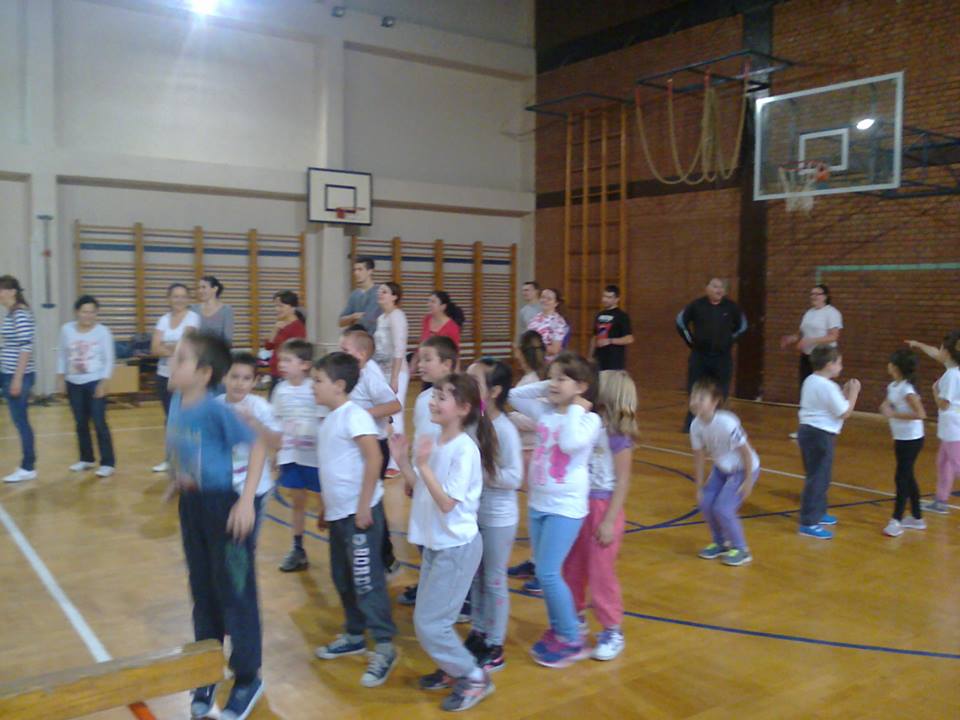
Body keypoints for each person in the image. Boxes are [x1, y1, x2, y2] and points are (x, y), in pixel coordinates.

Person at [162, 330, 268, 720]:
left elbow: (257, 445)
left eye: (181, 359)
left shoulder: (215, 410)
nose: (171, 364)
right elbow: (186, 450)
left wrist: (246, 500)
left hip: (223, 510)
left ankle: (247, 677)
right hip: (192, 508)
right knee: (202, 591)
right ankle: (206, 669)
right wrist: (178, 478)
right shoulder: (178, 402)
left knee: (236, 592)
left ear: (204, 373)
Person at [388, 374, 496, 712]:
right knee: (431, 620)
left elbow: (447, 502)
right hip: (438, 545)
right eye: (434, 396)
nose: (433, 402)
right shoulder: (434, 440)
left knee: (431, 624)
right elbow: (421, 488)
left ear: (463, 408)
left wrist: (422, 465)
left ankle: (473, 677)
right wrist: (404, 461)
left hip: (457, 548)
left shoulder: (465, 449)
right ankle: (454, 668)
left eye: (442, 398)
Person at [508, 352, 601, 668]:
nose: (554, 384)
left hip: (566, 508)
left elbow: (571, 443)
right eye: (552, 377)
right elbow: (514, 395)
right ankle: (560, 628)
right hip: (539, 504)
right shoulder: (546, 412)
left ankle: (572, 639)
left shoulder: (588, 420)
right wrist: (551, 383)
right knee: (546, 573)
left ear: (582, 386)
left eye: (563, 378)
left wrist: (575, 407)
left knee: (548, 572)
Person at [311, 352, 398, 689]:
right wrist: (325, 507)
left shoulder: (354, 415)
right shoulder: (329, 420)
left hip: (359, 515)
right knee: (342, 577)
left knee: (366, 580)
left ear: (339, 385)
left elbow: (374, 458)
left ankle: (385, 645)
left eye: (318, 381)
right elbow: (332, 468)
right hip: (339, 515)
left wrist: (364, 506)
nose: (313, 387)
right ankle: (354, 634)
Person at [563, 369, 638, 661]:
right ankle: (575, 617)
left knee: (601, 572)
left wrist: (608, 520)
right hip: (579, 503)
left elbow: (623, 481)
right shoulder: (588, 423)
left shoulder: (618, 435)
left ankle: (611, 629)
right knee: (573, 565)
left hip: (603, 507)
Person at [464, 359, 522, 674]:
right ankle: (479, 630)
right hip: (473, 513)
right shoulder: (473, 422)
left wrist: (483, 474)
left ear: (495, 391)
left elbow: (514, 477)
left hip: (498, 517)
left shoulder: (506, 430)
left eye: (475, 382)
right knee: (476, 575)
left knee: (494, 578)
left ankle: (495, 644)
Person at [396, 335, 458, 609]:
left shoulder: (463, 399)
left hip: (446, 485)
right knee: (424, 537)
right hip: (423, 479)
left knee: (447, 542)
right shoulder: (423, 399)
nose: (420, 364)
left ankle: (459, 597)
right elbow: (421, 437)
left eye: (427, 359)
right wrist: (411, 473)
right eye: (419, 359)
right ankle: (431, 583)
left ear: (447, 364)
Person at [340, 329, 402, 572]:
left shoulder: (369, 376)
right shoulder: (347, 377)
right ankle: (362, 551)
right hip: (355, 448)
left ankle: (386, 556)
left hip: (375, 447)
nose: (341, 354)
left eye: (345, 350)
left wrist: (362, 415)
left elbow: (394, 405)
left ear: (362, 354)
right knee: (359, 498)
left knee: (371, 500)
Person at [689, 377, 759, 566]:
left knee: (723, 508)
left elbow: (746, 452)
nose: (695, 401)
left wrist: (748, 481)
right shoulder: (695, 426)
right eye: (693, 397)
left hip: (743, 469)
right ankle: (720, 543)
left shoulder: (727, 423)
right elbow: (699, 457)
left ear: (714, 402)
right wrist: (699, 487)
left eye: (701, 398)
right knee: (706, 503)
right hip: (722, 469)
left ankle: (742, 549)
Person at [797, 346, 861, 540]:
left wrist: (844, 392)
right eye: (839, 363)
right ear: (828, 365)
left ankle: (819, 511)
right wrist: (854, 393)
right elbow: (844, 412)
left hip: (808, 432)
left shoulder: (811, 380)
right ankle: (809, 522)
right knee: (818, 477)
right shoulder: (827, 386)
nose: (841, 366)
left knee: (819, 475)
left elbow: (831, 404)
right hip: (820, 434)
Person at [272, 338, 321, 571]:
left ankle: (341, 545)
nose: (281, 364)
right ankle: (298, 548)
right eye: (281, 360)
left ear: (305, 365)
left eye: (287, 360)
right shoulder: (280, 390)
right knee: (298, 501)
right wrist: (275, 453)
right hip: (291, 456)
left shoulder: (314, 388)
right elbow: (275, 420)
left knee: (326, 502)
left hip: (315, 457)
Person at [506, 330, 549, 593]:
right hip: (527, 451)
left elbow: (539, 420)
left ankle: (544, 568)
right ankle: (535, 561)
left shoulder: (536, 382)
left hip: (535, 452)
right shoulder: (531, 380)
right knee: (534, 511)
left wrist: (511, 418)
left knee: (540, 512)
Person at [676, 278, 748, 433]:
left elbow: (743, 326)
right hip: (700, 356)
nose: (719, 290)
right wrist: (691, 342)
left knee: (721, 391)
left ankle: (717, 424)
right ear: (707, 288)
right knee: (695, 389)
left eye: (721, 287)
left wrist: (729, 340)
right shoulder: (696, 305)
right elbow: (680, 322)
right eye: (715, 286)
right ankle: (692, 424)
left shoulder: (731, 307)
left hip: (722, 358)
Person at [57, 295, 116, 478]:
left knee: (99, 422)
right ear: (77, 312)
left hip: (95, 382)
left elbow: (109, 359)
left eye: (92, 312)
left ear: (96, 313)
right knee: (80, 422)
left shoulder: (103, 332)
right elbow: (62, 355)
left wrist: (104, 382)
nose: (88, 316)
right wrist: (60, 378)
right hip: (73, 383)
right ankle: (86, 458)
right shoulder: (66, 330)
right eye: (84, 312)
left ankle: (107, 463)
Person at [907, 332, 960, 515]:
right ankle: (940, 501)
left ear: (947, 352)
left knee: (957, 464)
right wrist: (918, 343)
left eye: (942, 348)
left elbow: (944, 404)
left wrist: (934, 391)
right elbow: (933, 352)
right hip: (950, 428)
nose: (939, 351)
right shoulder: (953, 370)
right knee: (944, 463)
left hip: (954, 427)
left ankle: (941, 501)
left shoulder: (951, 375)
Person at [780, 284, 843, 438]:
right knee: (805, 390)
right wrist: (793, 338)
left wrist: (811, 341)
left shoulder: (832, 313)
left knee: (820, 391)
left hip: (824, 358)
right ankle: (804, 427)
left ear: (825, 296)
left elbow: (833, 336)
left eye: (817, 294)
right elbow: (802, 333)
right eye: (812, 294)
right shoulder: (809, 313)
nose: (814, 296)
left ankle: (824, 425)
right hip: (808, 356)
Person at [150, 283, 200, 473]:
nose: (179, 300)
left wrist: (168, 347)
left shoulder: (193, 318)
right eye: (175, 296)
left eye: (182, 296)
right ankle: (171, 458)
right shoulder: (163, 320)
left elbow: (186, 345)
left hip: (185, 377)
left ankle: (190, 459)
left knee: (186, 419)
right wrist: (174, 348)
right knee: (170, 419)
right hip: (164, 375)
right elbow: (154, 348)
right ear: (169, 299)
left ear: (188, 299)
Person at [879, 349, 926, 536]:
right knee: (908, 476)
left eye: (891, 363)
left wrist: (894, 414)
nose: (888, 365)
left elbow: (921, 414)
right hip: (900, 437)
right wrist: (885, 407)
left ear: (896, 367)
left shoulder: (907, 389)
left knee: (901, 478)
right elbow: (887, 403)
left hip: (912, 439)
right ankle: (917, 518)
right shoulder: (893, 386)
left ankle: (896, 520)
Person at [0, 275, 37, 484]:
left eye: (1, 290)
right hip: (8, 373)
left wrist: (17, 379)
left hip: (17, 375)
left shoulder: (20, 314)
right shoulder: (12, 313)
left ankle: (28, 467)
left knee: (21, 421)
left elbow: (25, 348)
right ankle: (27, 465)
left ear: (12, 291)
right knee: (19, 420)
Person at [373, 282, 409, 452]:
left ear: (394, 296)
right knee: (385, 414)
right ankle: (387, 452)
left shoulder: (397, 316)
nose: (380, 294)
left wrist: (394, 377)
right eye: (380, 291)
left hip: (397, 372)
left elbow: (399, 348)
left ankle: (397, 458)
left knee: (396, 414)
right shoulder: (381, 318)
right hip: (382, 372)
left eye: (385, 291)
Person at [264, 290, 306, 396]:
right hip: (275, 372)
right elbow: (268, 346)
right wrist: (275, 329)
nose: (277, 309)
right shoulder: (280, 324)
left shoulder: (297, 328)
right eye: (275, 306)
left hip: (285, 374)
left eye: (281, 306)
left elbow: (297, 354)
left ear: (292, 307)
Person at [588, 285, 634, 371]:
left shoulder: (622, 316)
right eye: (604, 296)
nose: (605, 299)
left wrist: (610, 341)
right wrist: (590, 356)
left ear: (617, 299)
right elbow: (594, 336)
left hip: (614, 361)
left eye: (609, 297)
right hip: (598, 359)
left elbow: (629, 339)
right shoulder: (599, 315)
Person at [339, 257, 381, 334]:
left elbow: (367, 320)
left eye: (360, 269)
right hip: (357, 338)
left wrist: (351, 319)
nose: (356, 273)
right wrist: (353, 316)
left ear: (370, 271)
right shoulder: (354, 294)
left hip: (373, 338)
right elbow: (341, 322)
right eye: (355, 270)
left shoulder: (378, 292)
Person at [527, 288, 569, 363]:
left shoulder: (558, 322)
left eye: (549, 299)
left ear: (556, 303)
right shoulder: (535, 318)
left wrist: (535, 347)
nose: (545, 300)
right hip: (533, 361)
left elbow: (555, 349)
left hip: (549, 364)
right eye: (543, 297)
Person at [193, 275, 234, 344]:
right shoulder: (194, 309)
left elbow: (228, 340)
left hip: (218, 350)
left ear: (214, 289)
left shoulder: (226, 310)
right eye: (199, 288)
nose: (200, 291)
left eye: (204, 287)